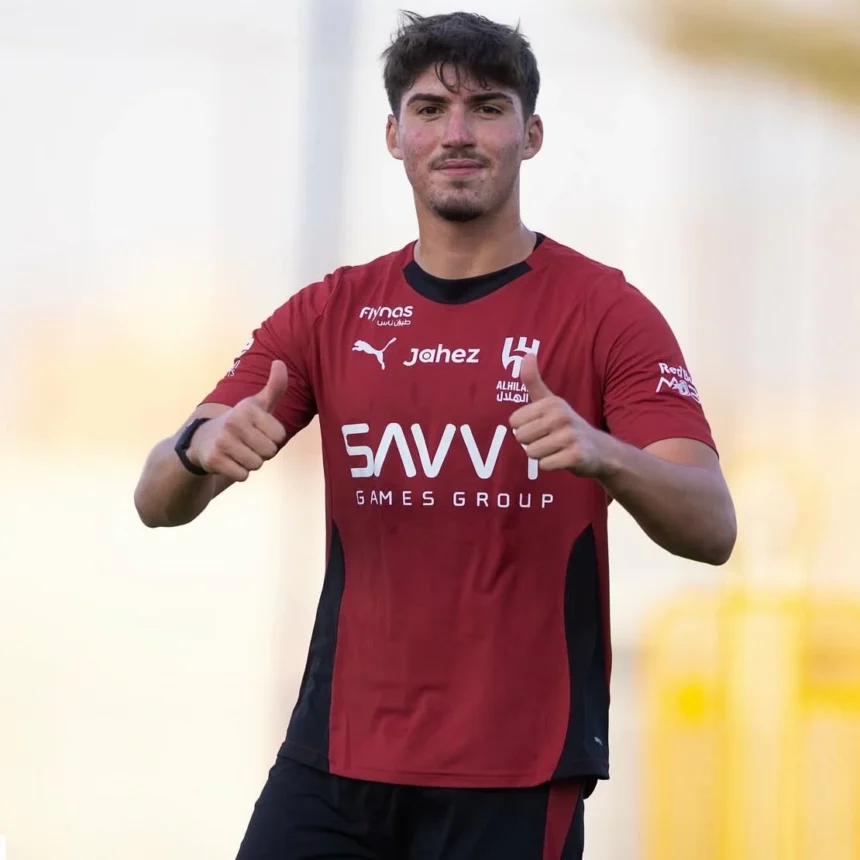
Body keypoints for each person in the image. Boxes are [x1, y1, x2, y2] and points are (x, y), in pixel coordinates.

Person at [134, 10, 737, 859]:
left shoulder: (607, 312)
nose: (457, 134)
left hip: (515, 771)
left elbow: (713, 526)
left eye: (486, 108)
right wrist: (197, 452)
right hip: (333, 760)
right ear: (394, 136)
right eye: (429, 109)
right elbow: (155, 499)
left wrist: (605, 454)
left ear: (531, 135)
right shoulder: (330, 311)